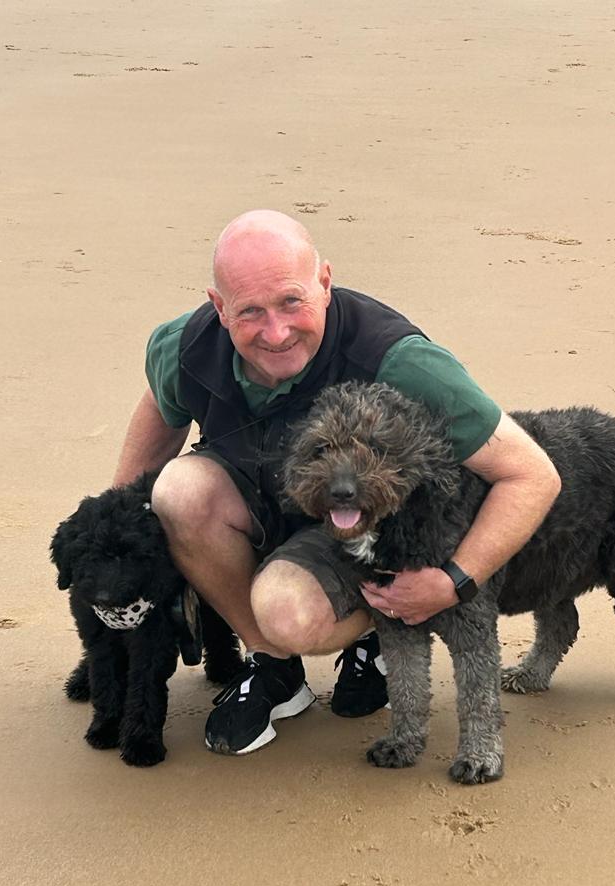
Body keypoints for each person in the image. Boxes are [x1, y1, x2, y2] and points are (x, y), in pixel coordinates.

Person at [113, 209, 561, 756]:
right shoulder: (183, 347)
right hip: (253, 498)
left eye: (291, 301)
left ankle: (375, 631)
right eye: (250, 311)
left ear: (325, 283)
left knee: (287, 614)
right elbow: (156, 431)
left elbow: (531, 475)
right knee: (177, 491)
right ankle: (275, 671)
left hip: (357, 534)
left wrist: (453, 581)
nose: (275, 332)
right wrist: (122, 549)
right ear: (218, 307)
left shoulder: (400, 361)